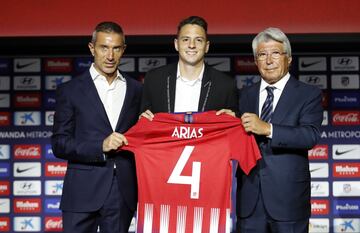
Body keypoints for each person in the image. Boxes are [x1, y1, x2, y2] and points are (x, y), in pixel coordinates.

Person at [51, 21, 142, 233]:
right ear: (92, 48)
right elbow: (59, 143)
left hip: (122, 191)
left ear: (123, 50)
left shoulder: (137, 90)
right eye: (104, 47)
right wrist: (99, 146)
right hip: (81, 191)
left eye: (116, 48)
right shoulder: (70, 90)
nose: (110, 55)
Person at [236, 27, 323, 233]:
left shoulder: (308, 94)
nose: (269, 60)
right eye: (262, 55)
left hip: (289, 201)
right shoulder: (244, 95)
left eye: (275, 53)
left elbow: (310, 135)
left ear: (289, 58)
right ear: (255, 61)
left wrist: (268, 129)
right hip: (249, 202)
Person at [140, 15, 237, 118]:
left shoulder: (226, 85)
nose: (191, 45)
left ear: (207, 46)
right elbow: (142, 121)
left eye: (198, 40)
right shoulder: (154, 79)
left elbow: (235, 126)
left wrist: (233, 120)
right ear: (176, 44)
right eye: (186, 39)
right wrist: (141, 120)